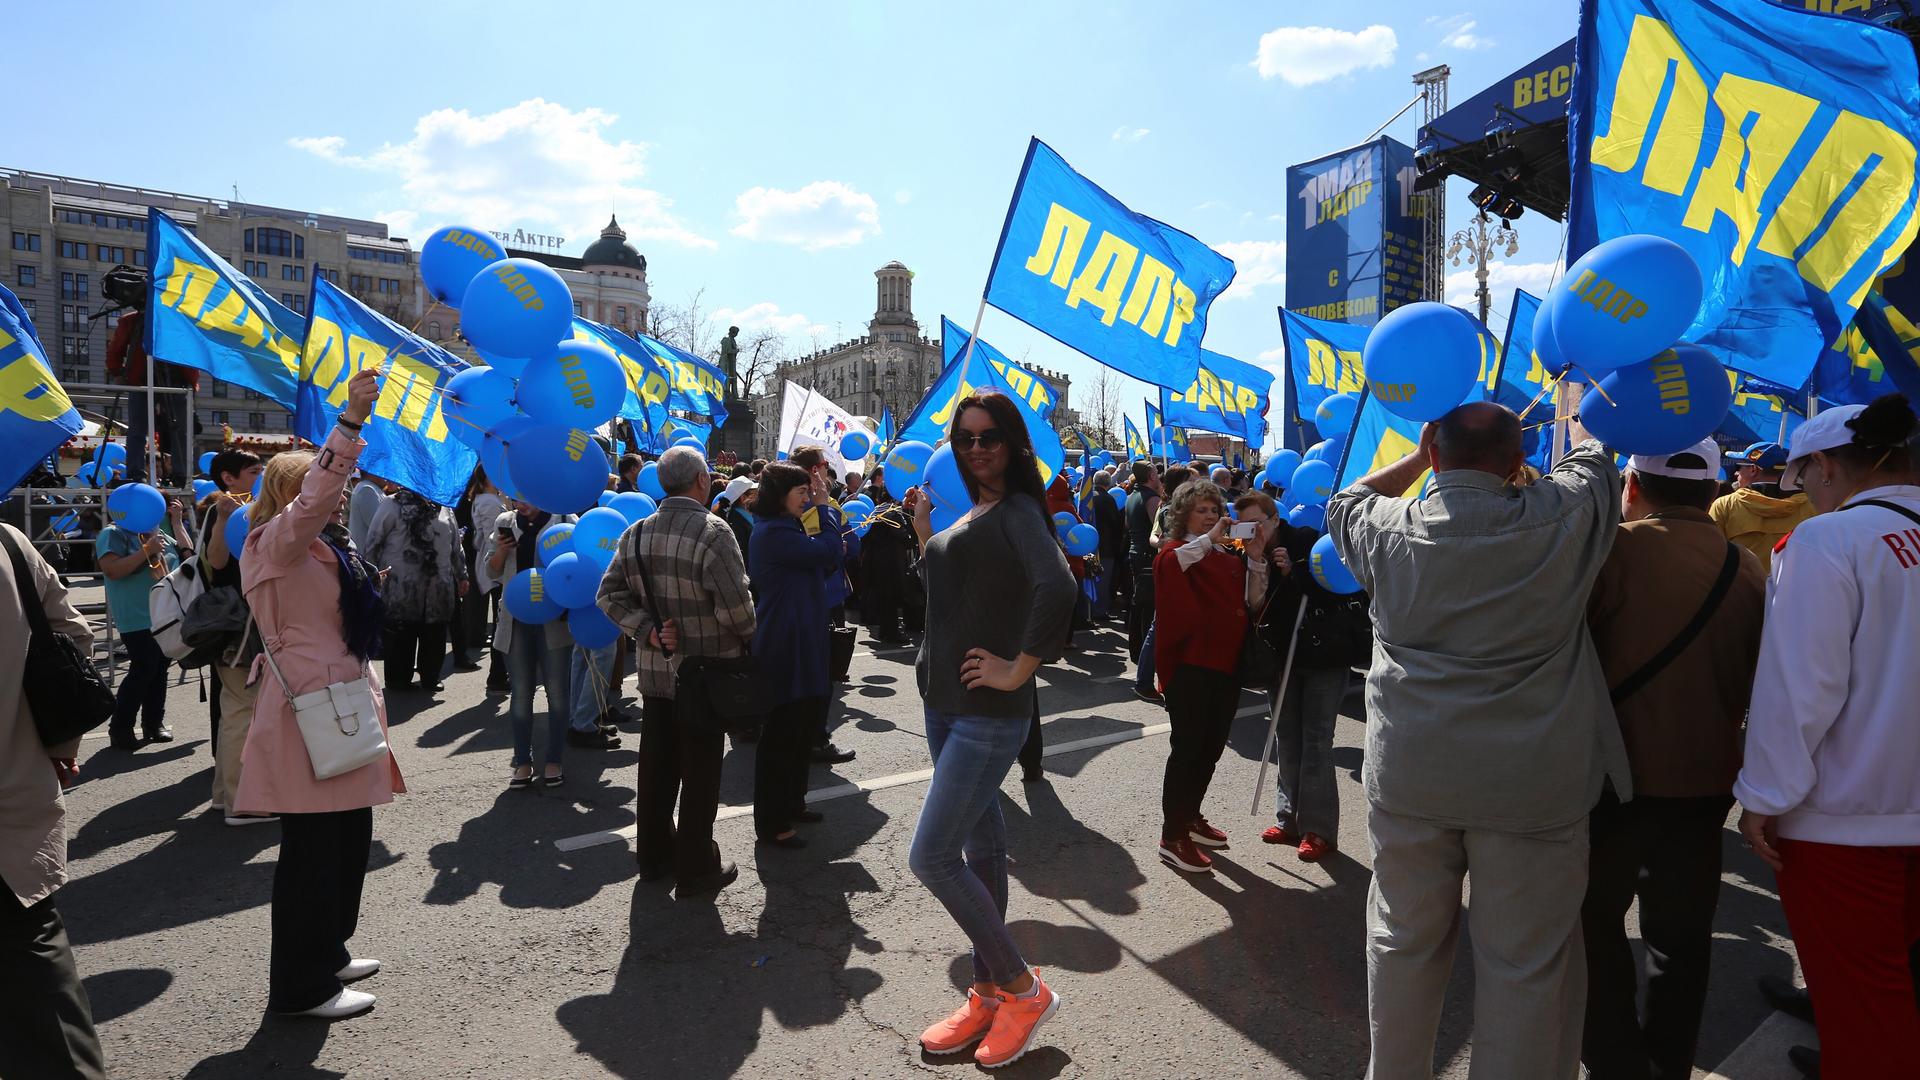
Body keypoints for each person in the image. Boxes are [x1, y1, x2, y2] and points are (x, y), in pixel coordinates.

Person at [1325, 401, 1628, 1079]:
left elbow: (1345, 497)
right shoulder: (1561, 517)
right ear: (1517, 462)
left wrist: (1418, 453)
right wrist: (1571, 416)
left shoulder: (1385, 528)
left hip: (1412, 773)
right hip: (1532, 784)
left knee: (1401, 943)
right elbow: (1594, 462)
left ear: (1434, 452)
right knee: (1523, 965)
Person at [1734, 394, 1920, 1079]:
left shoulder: (1828, 541)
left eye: (1803, 474)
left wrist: (1764, 796)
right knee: (1889, 986)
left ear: (1828, 468)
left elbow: (1798, 689)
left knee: (1865, 1007)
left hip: (1846, 820)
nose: (1803, 490)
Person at [1581, 440, 1767, 1080]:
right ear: (1715, 491)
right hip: (1707, 779)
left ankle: (1616, 1061)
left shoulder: (1610, 552)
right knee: (1682, 938)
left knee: (1588, 923)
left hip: (1611, 778)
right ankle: (1668, 1065)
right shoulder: (1748, 568)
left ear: (1632, 486)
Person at [908, 392, 1075, 1069]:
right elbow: (957, 597)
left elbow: (1058, 587)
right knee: (980, 852)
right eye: (966, 438)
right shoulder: (977, 511)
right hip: (943, 702)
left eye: (990, 438)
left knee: (932, 858)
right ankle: (985, 994)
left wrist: (1018, 669)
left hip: (985, 711)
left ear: (1012, 443)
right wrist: (927, 537)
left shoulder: (1019, 511)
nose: (976, 449)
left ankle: (1021, 987)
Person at [233, 368, 404, 1020]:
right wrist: (351, 422)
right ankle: (303, 988)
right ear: (292, 492)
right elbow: (314, 502)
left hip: (339, 709)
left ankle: (328, 951)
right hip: (310, 717)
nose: (340, 498)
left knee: (347, 841)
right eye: (326, 489)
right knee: (311, 857)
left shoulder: (323, 547)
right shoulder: (273, 540)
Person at [598, 446, 756, 897]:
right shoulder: (713, 532)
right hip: (706, 676)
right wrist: (748, 631)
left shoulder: (636, 532)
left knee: (657, 769)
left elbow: (607, 596)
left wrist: (647, 631)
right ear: (702, 480)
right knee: (701, 772)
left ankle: (652, 858)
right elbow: (736, 610)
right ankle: (695, 866)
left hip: (655, 674)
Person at [0, 523, 107, 1080]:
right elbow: (72, 639)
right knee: (39, 981)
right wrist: (60, 747)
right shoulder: (10, 544)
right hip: (14, 795)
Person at [1150, 479, 1266, 873]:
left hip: (1226, 664)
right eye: (1202, 510)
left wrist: (1255, 558)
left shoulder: (1224, 552)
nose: (1211, 517)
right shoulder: (1177, 550)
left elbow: (1251, 603)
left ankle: (1190, 816)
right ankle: (1172, 835)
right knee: (1188, 750)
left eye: (1215, 511)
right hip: (1190, 667)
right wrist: (1210, 540)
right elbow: (1171, 563)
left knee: (1210, 749)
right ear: (1183, 513)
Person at [1248, 491, 1367, 861]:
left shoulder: (1309, 541)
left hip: (1324, 657)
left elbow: (1338, 594)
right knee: (1286, 738)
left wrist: (1295, 573)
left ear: (1274, 520)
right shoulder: (1249, 552)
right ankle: (1288, 819)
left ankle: (1318, 829)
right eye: (1244, 526)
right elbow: (1254, 608)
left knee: (1316, 741)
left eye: (1257, 524)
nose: (1252, 532)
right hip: (1281, 658)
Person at [748, 462, 843, 849]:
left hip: (804, 636)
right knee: (782, 734)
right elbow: (829, 551)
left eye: (809, 491)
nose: (808, 496)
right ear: (779, 495)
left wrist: (820, 524)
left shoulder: (788, 528)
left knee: (803, 727)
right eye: (801, 491)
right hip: (785, 641)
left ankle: (793, 801)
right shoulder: (772, 532)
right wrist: (824, 510)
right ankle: (772, 821)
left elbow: (825, 562)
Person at [482, 501, 584, 789]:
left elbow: (579, 568)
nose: (520, 503)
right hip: (516, 621)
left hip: (554, 621)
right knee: (521, 694)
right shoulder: (504, 520)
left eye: (525, 496)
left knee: (557, 693)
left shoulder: (564, 517)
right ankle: (522, 762)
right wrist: (502, 551)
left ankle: (554, 759)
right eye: (515, 497)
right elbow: (490, 571)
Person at [199, 449, 275, 825]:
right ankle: (242, 804)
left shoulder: (258, 507)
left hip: (240, 622)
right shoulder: (224, 511)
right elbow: (215, 563)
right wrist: (223, 520)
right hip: (239, 626)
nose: (260, 474)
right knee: (242, 712)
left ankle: (223, 795)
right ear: (228, 477)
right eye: (253, 470)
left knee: (237, 710)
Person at [96, 490, 191, 751]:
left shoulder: (161, 535)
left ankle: (153, 722)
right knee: (144, 669)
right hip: (135, 616)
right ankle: (121, 727)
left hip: (163, 616)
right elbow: (112, 570)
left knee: (159, 668)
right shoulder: (113, 534)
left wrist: (177, 523)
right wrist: (145, 551)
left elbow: (185, 559)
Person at [365, 489, 468, 694]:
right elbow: (374, 541)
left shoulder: (444, 506)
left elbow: (455, 545)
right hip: (402, 585)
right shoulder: (392, 504)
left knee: (435, 632)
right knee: (401, 633)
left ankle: (430, 676)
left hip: (438, 585)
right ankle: (398, 679)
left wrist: (462, 574)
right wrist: (370, 574)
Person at [106, 307, 194, 489]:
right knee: (138, 429)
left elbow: (192, 348)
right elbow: (116, 349)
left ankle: (180, 474)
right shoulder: (133, 321)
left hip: (176, 379)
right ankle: (137, 474)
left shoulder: (180, 318)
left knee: (179, 430)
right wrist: (118, 371)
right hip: (142, 379)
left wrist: (192, 380)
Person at [1710, 441, 1815, 575]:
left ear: (1753, 469)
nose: (1736, 473)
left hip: (1742, 593)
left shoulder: (1724, 505)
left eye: (1740, 467)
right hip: (1792, 592)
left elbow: (1711, 556)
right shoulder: (1811, 506)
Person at [467, 471, 509, 694]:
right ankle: (497, 675)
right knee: (503, 623)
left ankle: (499, 674)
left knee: (502, 621)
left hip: (489, 562)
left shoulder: (487, 499)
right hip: (495, 565)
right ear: (485, 479)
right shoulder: (489, 502)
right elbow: (493, 535)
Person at [1125, 461, 1164, 696]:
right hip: (1148, 557)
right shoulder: (1151, 499)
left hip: (1134, 552)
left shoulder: (1131, 496)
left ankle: (1138, 653)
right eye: (1156, 472)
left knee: (1138, 605)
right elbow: (1157, 530)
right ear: (1151, 474)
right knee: (1150, 612)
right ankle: (1145, 664)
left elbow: (1127, 525)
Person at [1091, 471, 1129, 623]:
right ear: (1108, 483)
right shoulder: (1107, 499)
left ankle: (1089, 610)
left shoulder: (1086, 495)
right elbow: (1116, 524)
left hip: (1087, 544)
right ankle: (1099, 610)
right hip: (1106, 546)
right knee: (1103, 580)